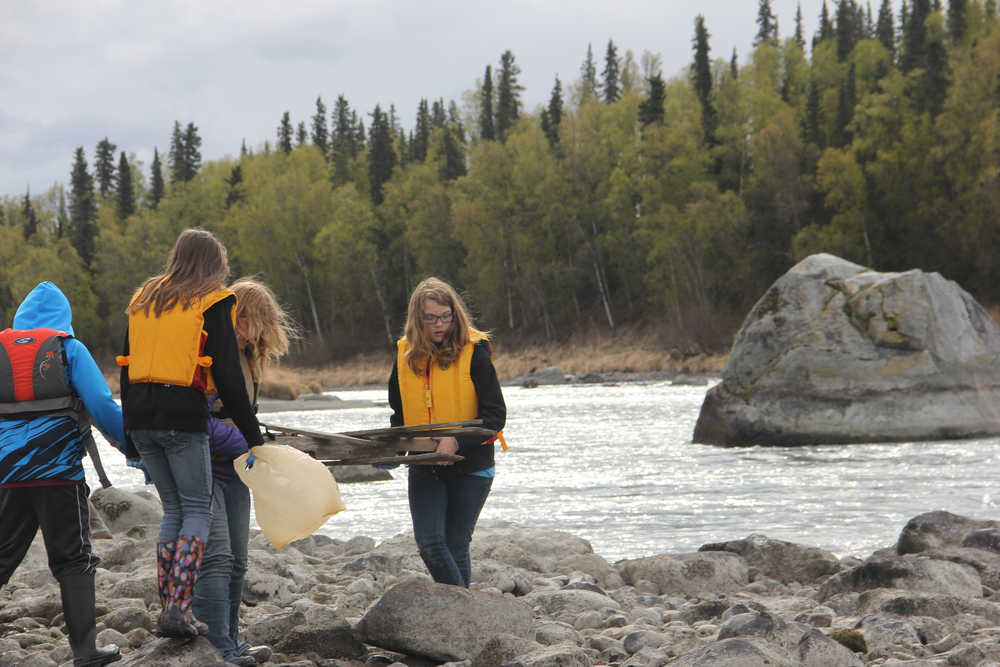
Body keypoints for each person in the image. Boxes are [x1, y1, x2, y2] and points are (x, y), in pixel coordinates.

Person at [118, 229, 262, 637]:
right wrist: (254, 437)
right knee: (197, 510)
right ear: (213, 264)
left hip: (142, 418)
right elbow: (229, 377)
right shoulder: (213, 300)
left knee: (174, 512)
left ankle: (170, 606)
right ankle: (180, 609)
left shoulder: (143, 298)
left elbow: (126, 368)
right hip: (183, 418)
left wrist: (130, 436)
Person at [0, 281, 125, 666]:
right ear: (64, 319)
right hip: (59, 474)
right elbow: (102, 405)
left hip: (6, 475)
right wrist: (131, 447)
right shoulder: (69, 349)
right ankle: (86, 651)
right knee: (73, 559)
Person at [193, 278, 293, 665]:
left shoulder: (250, 360)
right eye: (241, 319)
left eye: (253, 321)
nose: (244, 330)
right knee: (216, 558)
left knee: (238, 560)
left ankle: (232, 641)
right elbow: (199, 416)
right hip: (207, 465)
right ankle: (216, 645)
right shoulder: (207, 353)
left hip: (238, 469)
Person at [388, 277, 506, 587]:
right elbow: (399, 414)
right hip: (425, 464)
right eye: (431, 318)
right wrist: (393, 450)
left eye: (445, 316)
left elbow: (495, 416)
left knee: (455, 544)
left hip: (472, 466)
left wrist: (456, 440)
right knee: (430, 544)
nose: (439, 324)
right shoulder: (403, 355)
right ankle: (463, 611)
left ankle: (460, 618)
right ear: (418, 319)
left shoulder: (475, 352)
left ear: (455, 315)